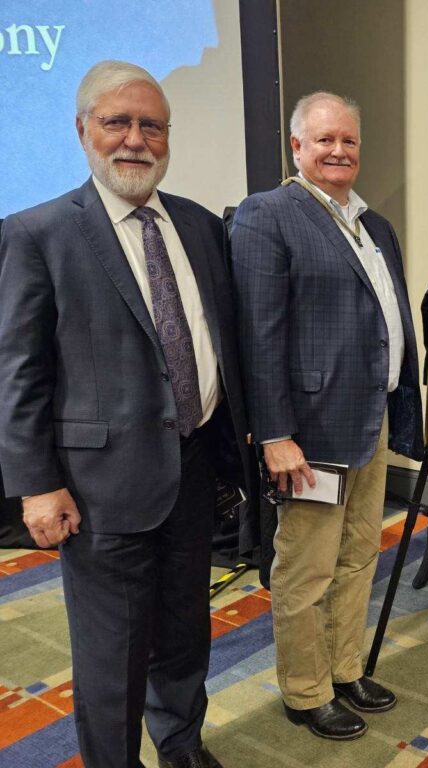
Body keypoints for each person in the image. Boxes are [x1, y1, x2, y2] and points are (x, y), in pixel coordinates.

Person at [0, 60, 249, 768]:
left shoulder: (201, 227)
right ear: (84, 131)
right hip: (97, 490)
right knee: (110, 655)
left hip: (194, 469)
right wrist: (35, 484)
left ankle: (180, 743)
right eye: (118, 122)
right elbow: (17, 373)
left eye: (151, 125)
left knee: (184, 631)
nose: (135, 139)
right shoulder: (37, 233)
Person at [230, 92, 424, 741]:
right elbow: (259, 335)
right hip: (308, 436)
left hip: (368, 423)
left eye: (348, 141)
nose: (338, 151)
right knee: (306, 568)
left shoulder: (376, 226)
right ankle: (306, 689)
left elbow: (390, 324)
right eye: (324, 141)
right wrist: (276, 434)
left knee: (358, 558)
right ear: (296, 148)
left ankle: (344, 670)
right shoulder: (269, 216)